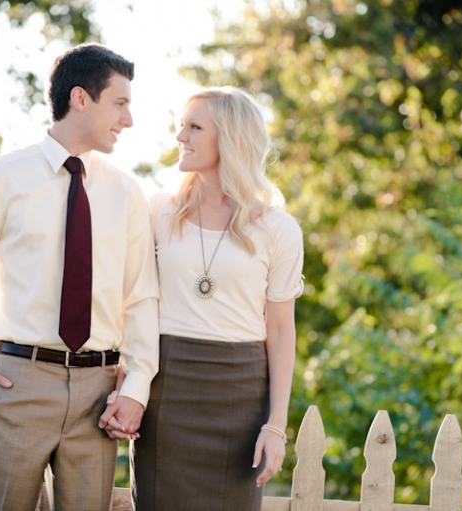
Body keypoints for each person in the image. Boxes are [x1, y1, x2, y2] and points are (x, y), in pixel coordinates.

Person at [0, 43, 159, 511]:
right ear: (80, 98)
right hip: (16, 388)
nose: (129, 119)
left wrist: (135, 388)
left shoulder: (126, 193)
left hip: (99, 398)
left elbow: (140, 300)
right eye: (120, 103)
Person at [119, 86, 304, 510]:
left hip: (239, 393)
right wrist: (127, 379)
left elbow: (279, 329)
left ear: (231, 138)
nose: (180, 137)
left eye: (194, 127)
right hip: (167, 385)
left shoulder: (279, 229)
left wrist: (275, 426)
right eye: (181, 126)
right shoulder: (158, 211)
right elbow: (133, 302)